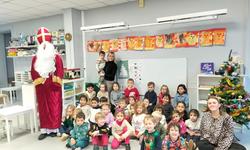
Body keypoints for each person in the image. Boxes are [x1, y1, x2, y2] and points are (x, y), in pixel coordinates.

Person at [31, 27, 64, 140]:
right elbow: (33, 72)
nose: (45, 47)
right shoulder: (35, 58)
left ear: (50, 44)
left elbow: (60, 71)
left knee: (54, 107)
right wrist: (40, 80)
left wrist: (55, 83)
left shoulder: (57, 58)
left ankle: (54, 129)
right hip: (41, 88)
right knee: (43, 109)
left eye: (46, 45)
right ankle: (44, 130)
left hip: (53, 87)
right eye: (43, 45)